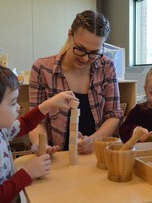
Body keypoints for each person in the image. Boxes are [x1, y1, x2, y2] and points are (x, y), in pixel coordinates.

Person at [0, 57, 75, 203]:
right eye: (13, 103)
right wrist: (27, 173)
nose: (19, 107)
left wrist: (51, 103)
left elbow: (25, 124)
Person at [28, 10, 123, 155]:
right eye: (80, 49)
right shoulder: (42, 68)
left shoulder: (106, 67)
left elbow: (113, 115)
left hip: (95, 155)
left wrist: (93, 141)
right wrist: (42, 146)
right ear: (69, 35)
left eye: (94, 52)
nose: (85, 59)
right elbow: (36, 120)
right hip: (57, 156)